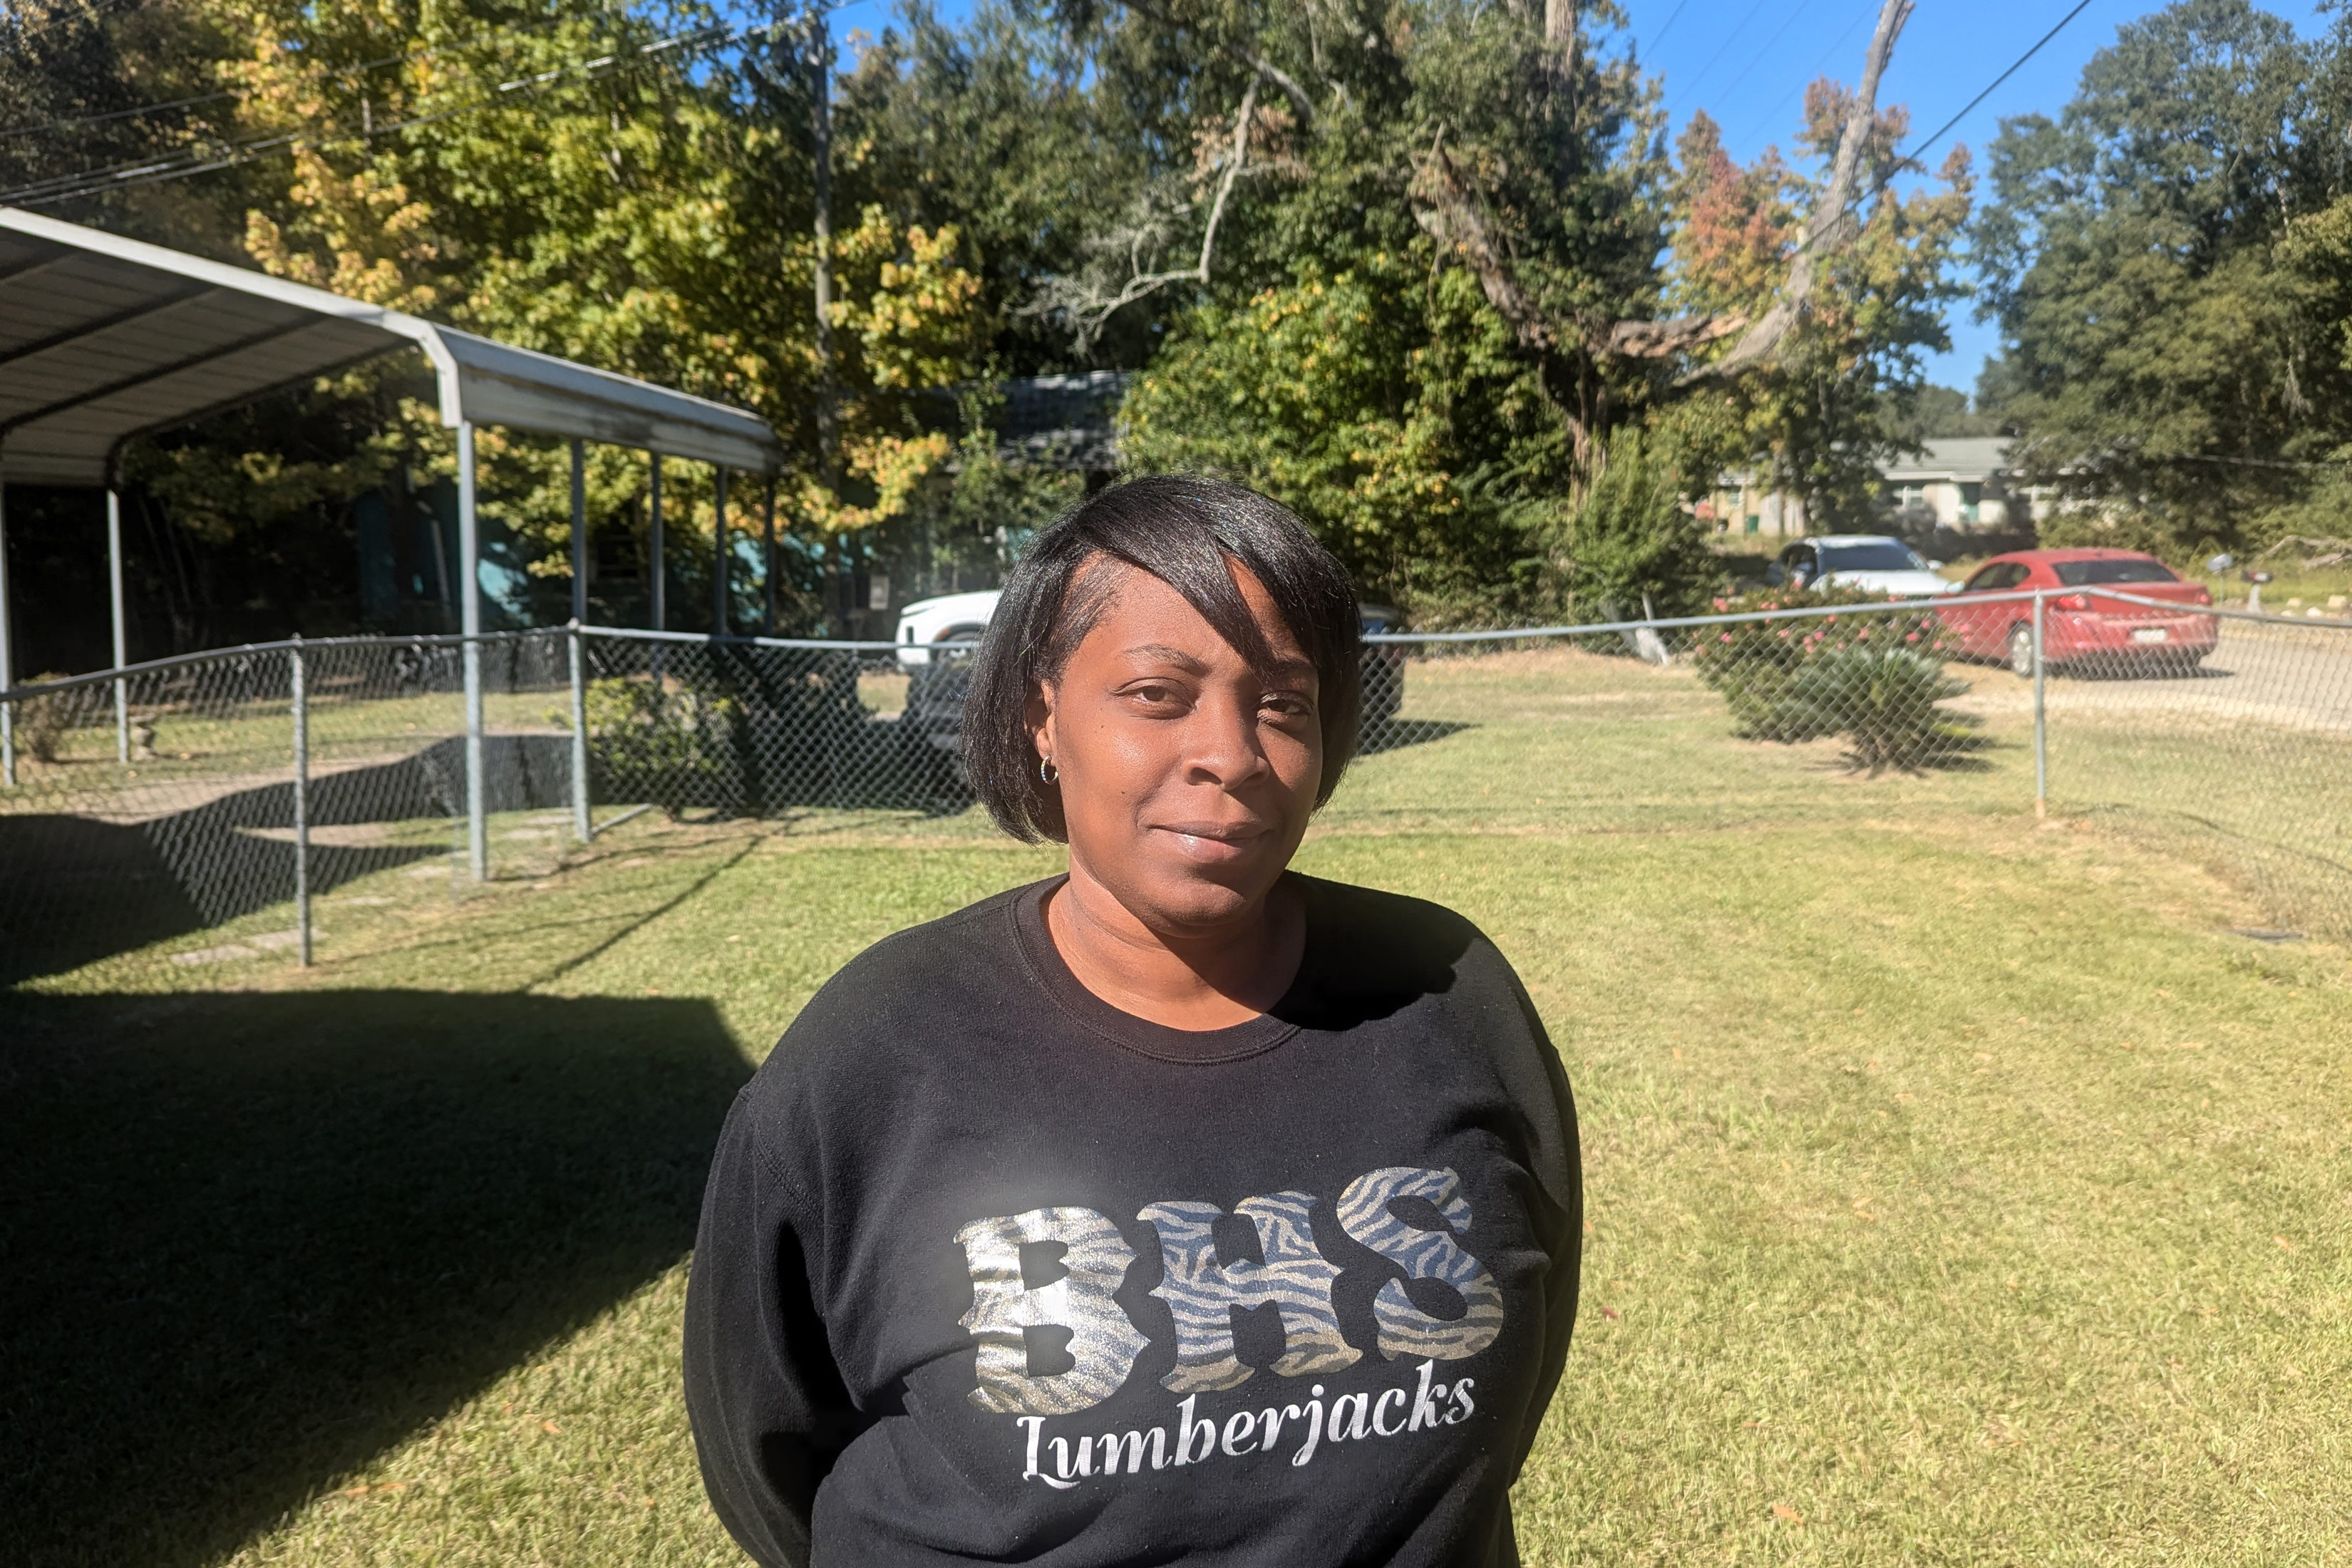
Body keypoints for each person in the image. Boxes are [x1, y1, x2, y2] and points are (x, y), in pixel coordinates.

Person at [684, 476, 1581, 1567]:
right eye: (1159, 693)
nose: (1233, 754)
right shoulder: (871, 1056)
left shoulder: (1449, 993)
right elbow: (767, 1450)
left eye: (1283, 701)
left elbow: (1519, 1362)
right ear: (1043, 714)